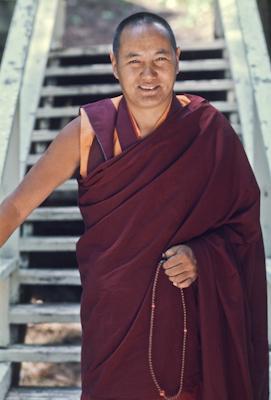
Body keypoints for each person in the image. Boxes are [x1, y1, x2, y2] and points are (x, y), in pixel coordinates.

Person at [0, 11, 269, 400]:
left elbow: (243, 227)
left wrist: (203, 256)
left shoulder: (208, 131)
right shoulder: (87, 135)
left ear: (177, 58)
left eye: (160, 59)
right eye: (134, 62)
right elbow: (16, 208)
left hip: (185, 324)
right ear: (114, 64)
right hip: (113, 321)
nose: (148, 75)